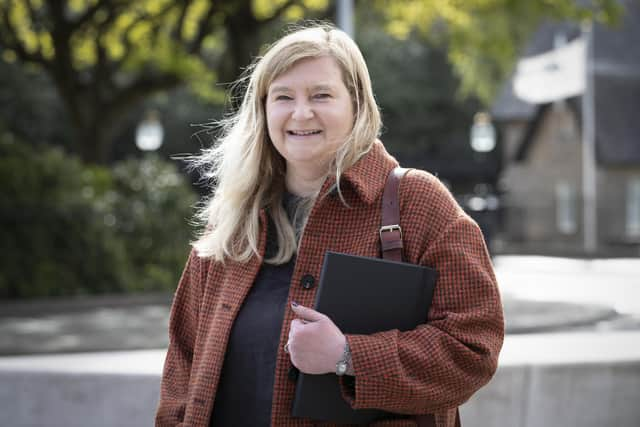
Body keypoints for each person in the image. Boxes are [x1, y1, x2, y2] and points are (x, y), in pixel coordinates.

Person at [155, 24, 503, 427]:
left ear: (357, 105)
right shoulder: (233, 220)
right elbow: (182, 367)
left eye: (321, 95)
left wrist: (348, 356)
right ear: (264, 110)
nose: (301, 113)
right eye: (283, 97)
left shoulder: (416, 203)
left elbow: (473, 348)